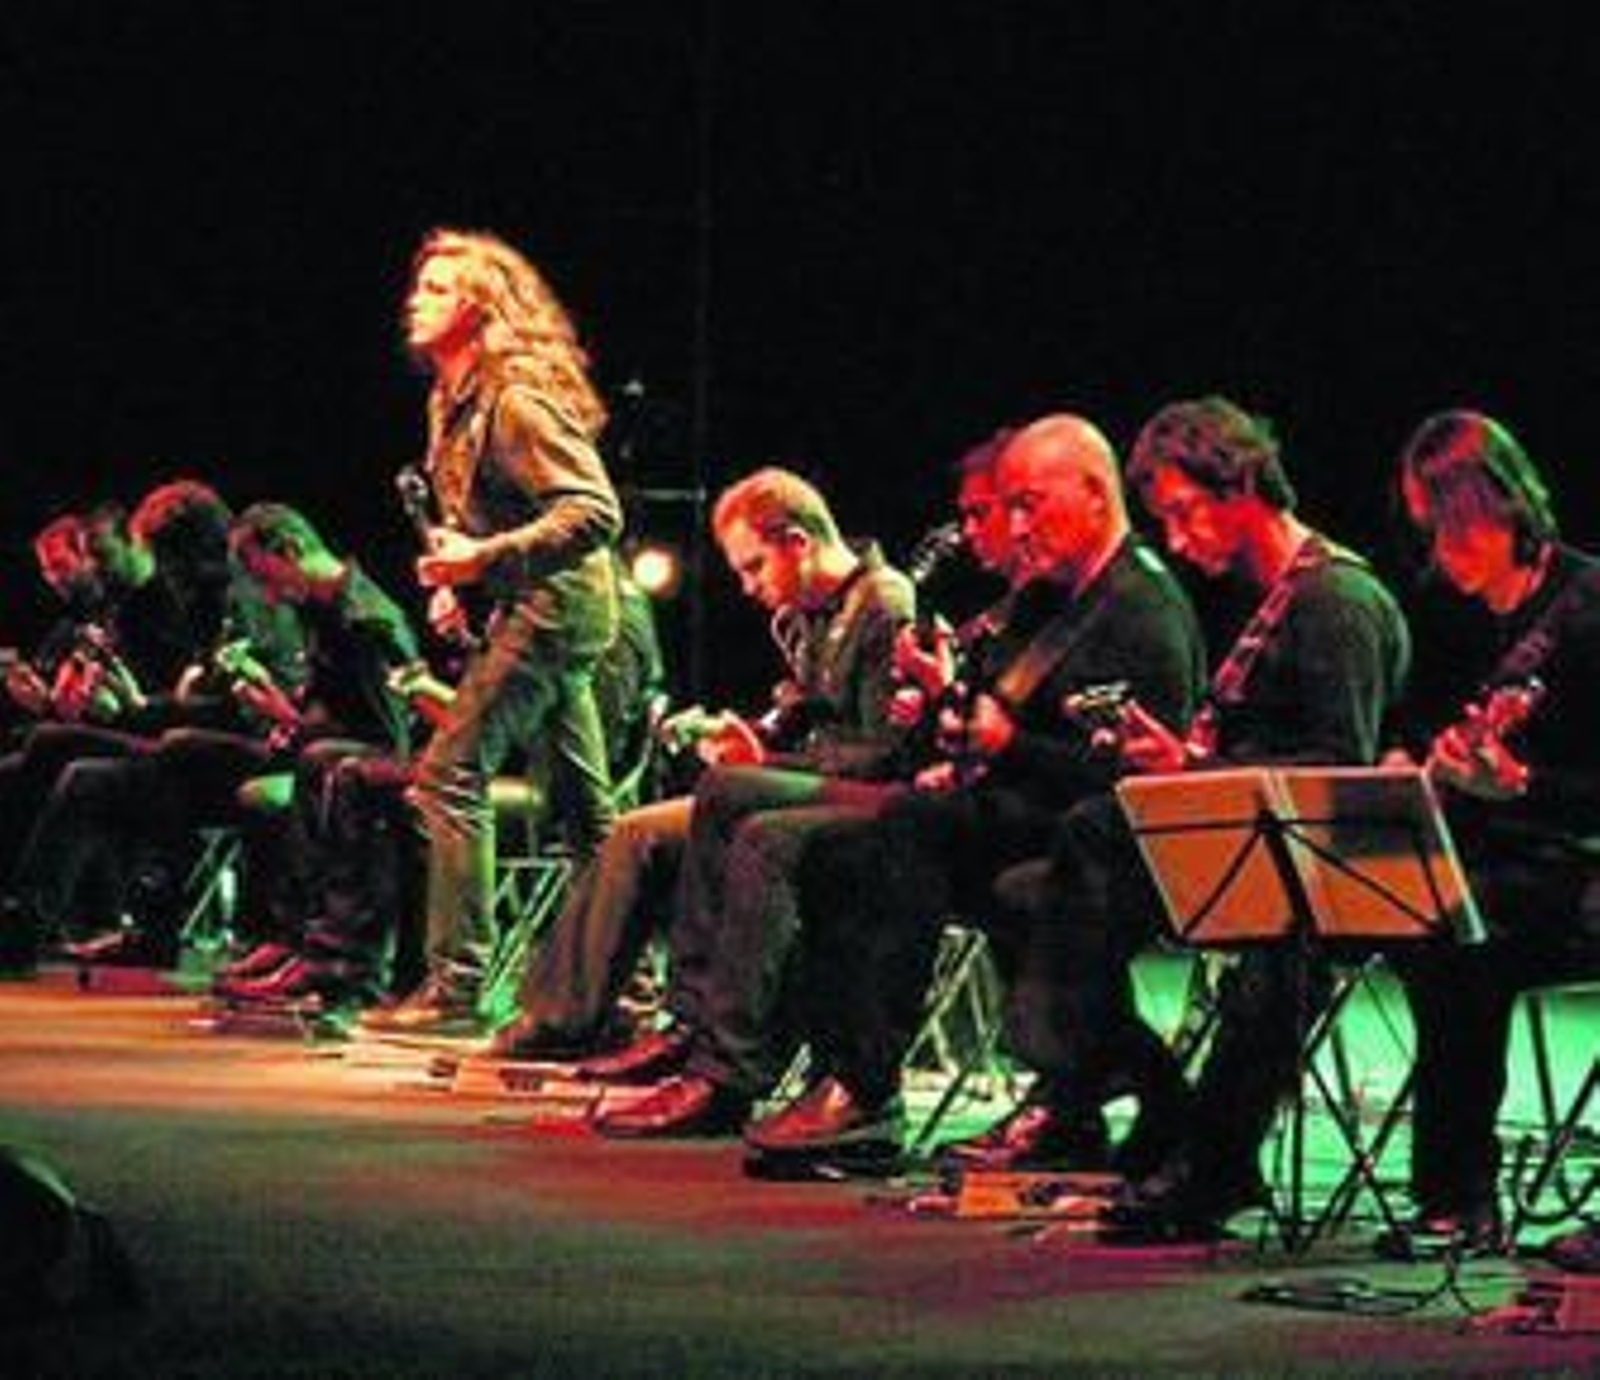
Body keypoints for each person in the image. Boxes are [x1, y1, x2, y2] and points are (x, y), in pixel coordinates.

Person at [990, 396, 1411, 1243]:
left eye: (1185, 514)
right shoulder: (1270, 598)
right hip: (1248, 848)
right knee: (1028, 886)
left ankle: (1208, 1161)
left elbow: (1338, 771)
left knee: (1257, 952)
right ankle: (1138, 1087)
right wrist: (1184, 763)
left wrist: (1195, 771)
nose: (1177, 542)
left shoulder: (1337, 602)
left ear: (1245, 483)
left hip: (1320, 869)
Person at [741, 413, 1207, 1169]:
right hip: (1026, 812)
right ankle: (848, 1074)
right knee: (836, 853)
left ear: (1095, 494)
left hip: (1096, 836)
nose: (1018, 525)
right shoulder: (1045, 599)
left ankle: (868, 1085)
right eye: (1011, 506)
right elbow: (990, 712)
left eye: (1032, 504)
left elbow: (1129, 781)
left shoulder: (1142, 608)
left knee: (912, 832)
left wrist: (1006, 745)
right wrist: (949, 714)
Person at [486, 465, 913, 1083]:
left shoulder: (883, 602)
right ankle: (568, 1019)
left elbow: (885, 752)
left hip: (862, 798)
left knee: (726, 799)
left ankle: (695, 1026)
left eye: (753, 566)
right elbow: (805, 723)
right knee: (640, 831)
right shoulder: (807, 615)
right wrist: (753, 737)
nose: (747, 587)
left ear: (798, 542)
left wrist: (766, 765)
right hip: (795, 786)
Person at [361, 228, 624, 1037]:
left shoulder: (513, 402)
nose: (418, 298)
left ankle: (458, 987)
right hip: (532, 604)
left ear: (480, 311)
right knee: (588, 815)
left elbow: (594, 510)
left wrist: (485, 560)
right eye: (421, 286)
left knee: (447, 774)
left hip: (554, 608)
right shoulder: (452, 400)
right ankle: (622, 983)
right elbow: (473, 514)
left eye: (440, 289)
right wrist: (459, 576)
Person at [1377, 410, 1600, 1257]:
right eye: (1429, 528)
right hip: (1468, 856)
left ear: (1507, 506)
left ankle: (1457, 1196)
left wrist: (1523, 786)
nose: (1442, 549)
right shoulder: (1444, 608)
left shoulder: (1586, 610)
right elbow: (1405, 722)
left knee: (1461, 937)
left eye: (1455, 526)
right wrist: (1403, 761)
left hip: (1569, 869)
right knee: (1398, 910)